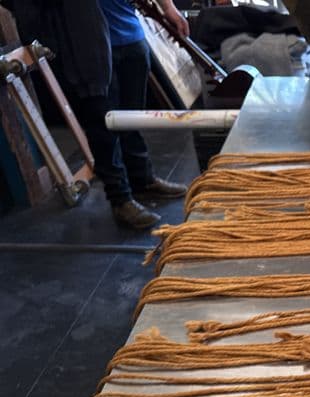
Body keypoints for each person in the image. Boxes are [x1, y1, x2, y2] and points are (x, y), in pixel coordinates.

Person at [9, 0, 190, 229]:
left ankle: (142, 179)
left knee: (131, 118)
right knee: (103, 126)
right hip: (89, 45)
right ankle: (120, 199)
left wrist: (169, 8)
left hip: (131, 35)